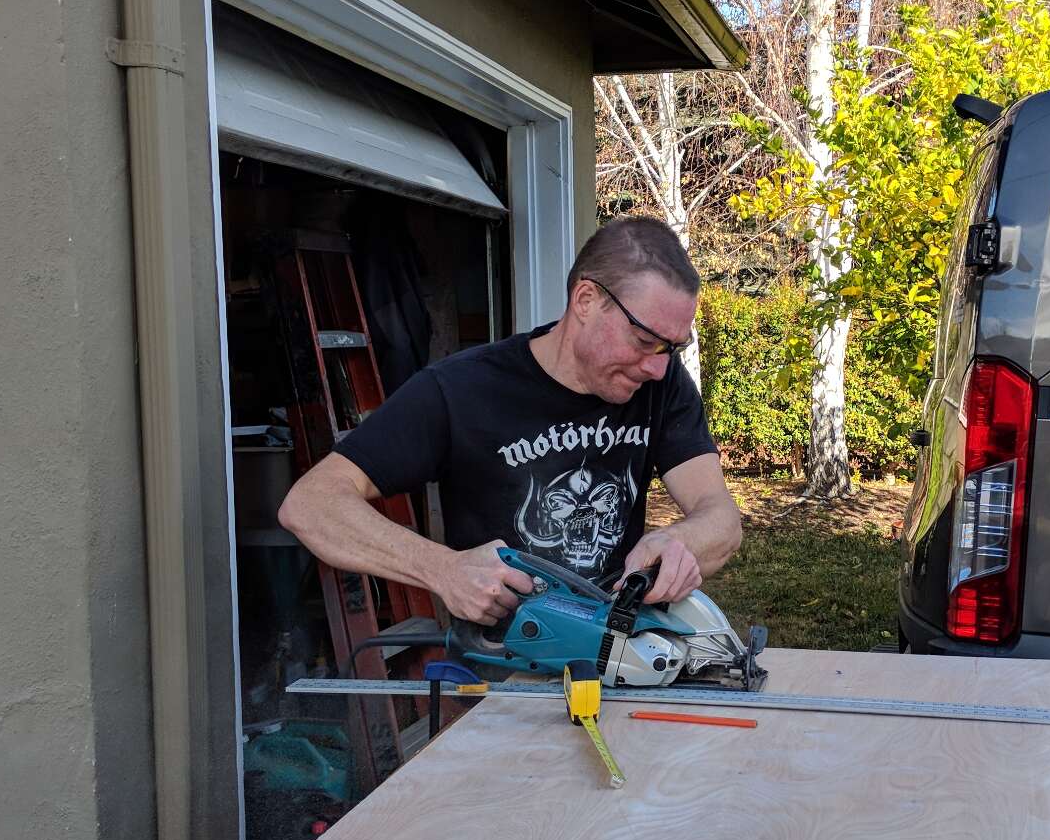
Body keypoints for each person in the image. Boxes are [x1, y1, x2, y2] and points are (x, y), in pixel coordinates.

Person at [278, 214, 742, 630]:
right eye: (643, 340)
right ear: (586, 299)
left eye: (671, 349)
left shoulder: (661, 383)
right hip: (504, 673)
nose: (658, 367)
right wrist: (442, 568)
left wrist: (681, 541)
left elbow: (719, 516)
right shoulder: (460, 390)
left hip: (620, 654)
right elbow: (311, 505)